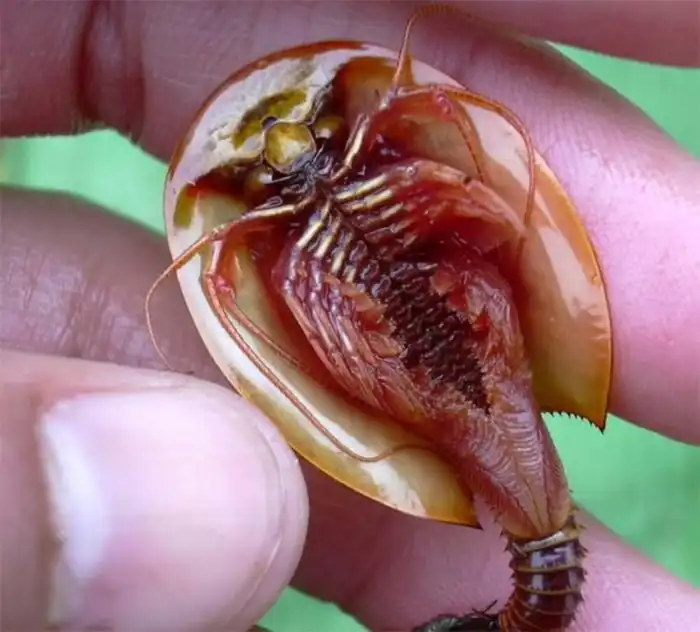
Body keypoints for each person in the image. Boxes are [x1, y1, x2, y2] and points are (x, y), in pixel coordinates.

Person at [2, 2, 699, 631]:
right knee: (365, 333)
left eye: (310, 130)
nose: (285, 144)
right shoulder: (281, 255)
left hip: (462, 334)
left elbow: (467, 201)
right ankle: (540, 584)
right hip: (406, 355)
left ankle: (541, 586)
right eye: (271, 161)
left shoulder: (313, 210)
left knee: (454, 323)